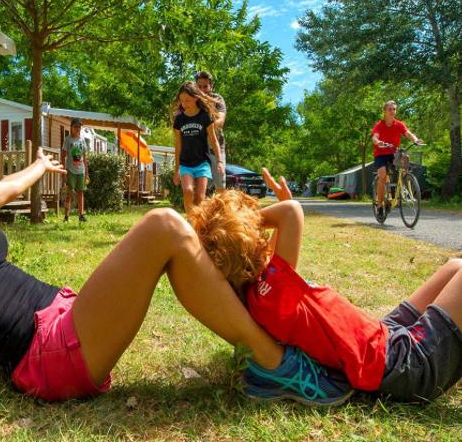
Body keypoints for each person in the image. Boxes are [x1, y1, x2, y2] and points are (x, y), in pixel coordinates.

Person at [0, 91, 350, 405]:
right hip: (45, 355)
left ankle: (269, 332)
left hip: (63, 316)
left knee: (175, 234)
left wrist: (38, 168)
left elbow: (0, 191)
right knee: (163, 226)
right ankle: (274, 364)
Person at [187, 170, 461, 403]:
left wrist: (239, 229)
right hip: (402, 366)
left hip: (385, 336)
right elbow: (291, 212)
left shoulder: (261, 293)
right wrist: (240, 222)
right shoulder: (272, 292)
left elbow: (280, 224)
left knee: (454, 266)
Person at [172, 82, 225, 213]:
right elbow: (178, 145)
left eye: (187, 100)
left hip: (202, 163)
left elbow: (213, 140)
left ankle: (197, 220)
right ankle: (190, 219)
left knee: (200, 197)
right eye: (182, 101)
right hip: (185, 164)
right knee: (188, 191)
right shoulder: (179, 119)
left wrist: (219, 161)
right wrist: (176, 170)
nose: (184, 104)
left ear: (196, 97)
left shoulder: (205, 116)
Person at [371, 100, 422, 220]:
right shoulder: (380, 125)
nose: (392, 111)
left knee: (405, 157)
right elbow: (374, 137)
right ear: (384, 111)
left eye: (394, 109)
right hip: (381, 154)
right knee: (383, 176)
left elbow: (408, 133)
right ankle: (380, 206)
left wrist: (415, 140)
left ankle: (404, 181)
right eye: (390, 109)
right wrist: (378, 142)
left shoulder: (399, 124)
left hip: (393, 153)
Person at [195, 71, 227, 191]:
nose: (202, 90)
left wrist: (203, 127)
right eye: (199, 86)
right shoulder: (192, 100)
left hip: (216, 148)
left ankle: (221, 203)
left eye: (205, 86)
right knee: (200, 187)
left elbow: (220, 121)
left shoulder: (217, 99)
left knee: (220, 184)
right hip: (198, 150)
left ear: (211, 86)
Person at [61, 118, 89, 223]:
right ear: (71, 127)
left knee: (80, 192)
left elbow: (85, 157)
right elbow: (63, 156)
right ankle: (66, 216)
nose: (78, 129)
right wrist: (64, 171)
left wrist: (86, 173)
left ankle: (81, 215)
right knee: (69, 193)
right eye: (76, 126)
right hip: (70, 170)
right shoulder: (68, 140)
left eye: (79, 127)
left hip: (81, 171)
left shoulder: (82, 140)